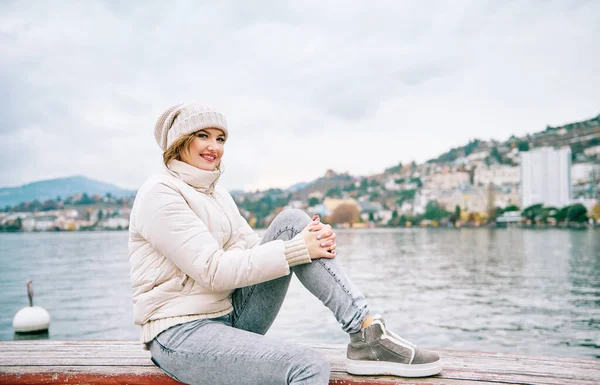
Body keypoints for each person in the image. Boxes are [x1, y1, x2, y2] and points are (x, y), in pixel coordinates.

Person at [128, 103, 442, 385]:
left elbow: (251, 247)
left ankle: (365, 333)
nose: (214, 147)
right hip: (180, 335)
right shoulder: (160, 194)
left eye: (220, 139)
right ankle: (365, 338)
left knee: (293, 221)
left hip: (230, 315)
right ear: (180, 142)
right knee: (308, 367)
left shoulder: (216, 194)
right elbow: (214, 271)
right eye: (203, 136)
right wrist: (298, 249)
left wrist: (309, 241)